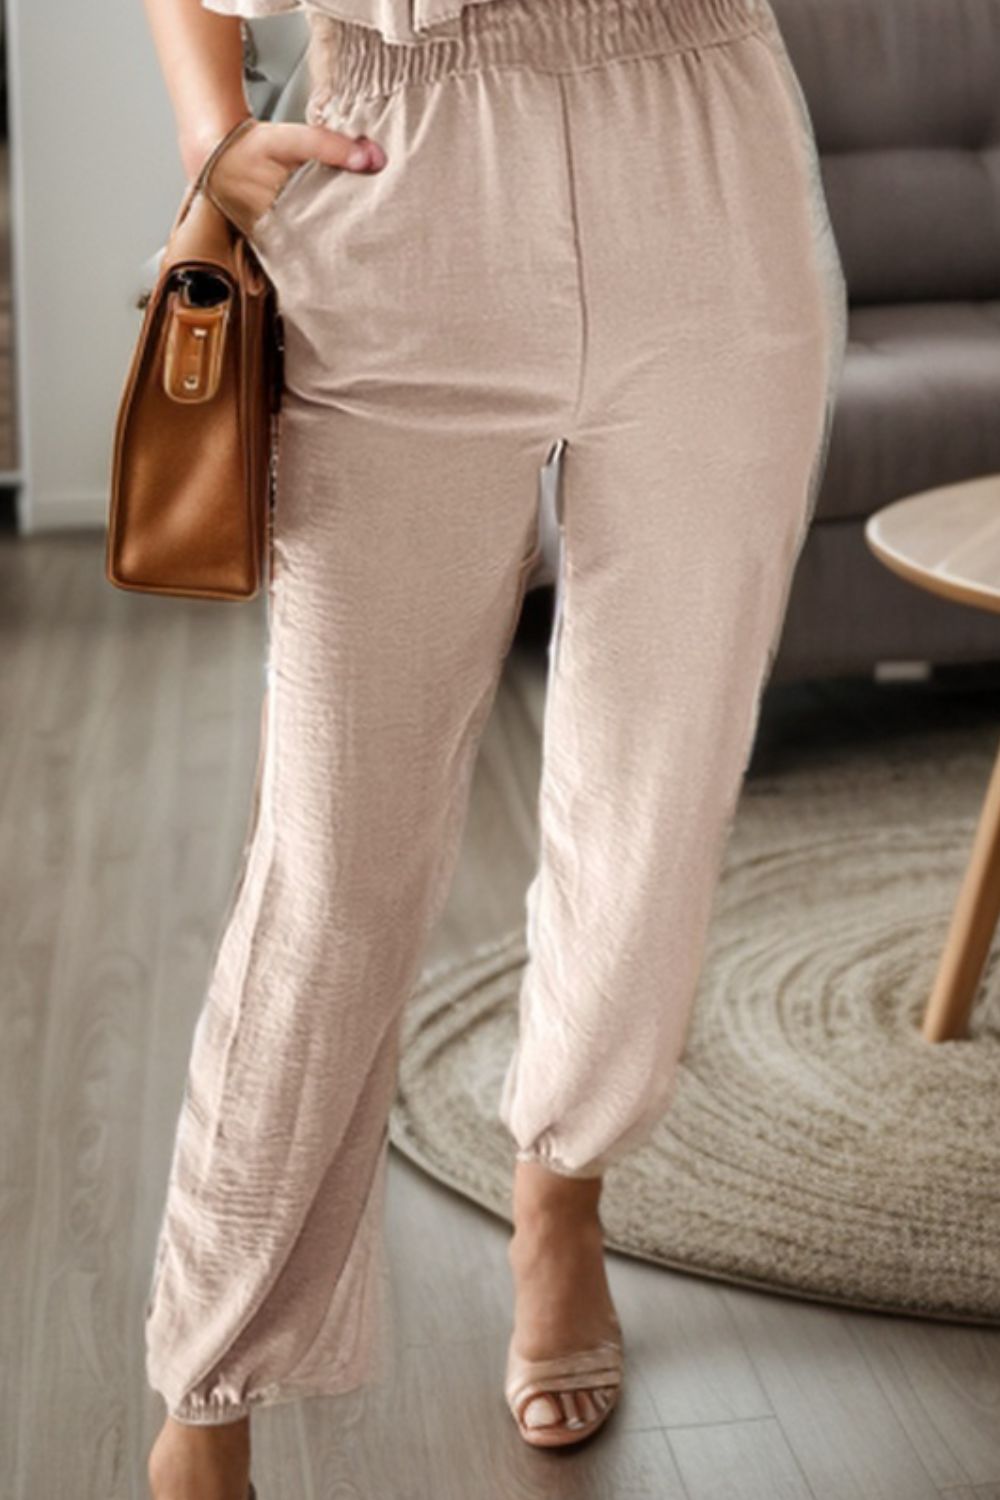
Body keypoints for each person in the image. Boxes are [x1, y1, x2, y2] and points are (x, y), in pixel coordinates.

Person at [139, 0, 848, 1493]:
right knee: (333, 865)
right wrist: (212, 136)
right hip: (398, 167)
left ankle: (562, 1197)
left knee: (656, 791)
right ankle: (207, 1391)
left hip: (705, 154)